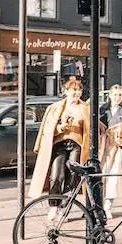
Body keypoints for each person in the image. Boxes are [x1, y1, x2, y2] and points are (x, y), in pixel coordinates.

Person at [29, 77, 91, 219]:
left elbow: (89, 129)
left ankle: (64, 207)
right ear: (66, 91)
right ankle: (53, 206)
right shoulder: (56, 107)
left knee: (72, 176)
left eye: (79, 90)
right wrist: (60, 128)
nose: (77, 93)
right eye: (74, 90)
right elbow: (47, 128)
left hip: (77, 144)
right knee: (57, 175)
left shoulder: (85, 108)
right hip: (59, 144)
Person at [98, 84, 122, 219]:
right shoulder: (102, 109)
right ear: (110, 95)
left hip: (117, 146)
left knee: (113, 176)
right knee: (101, 175)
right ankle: (97, 205)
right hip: (102, 146)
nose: (118, 97)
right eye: (115, 94)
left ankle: (107, 206)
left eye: (120, 95)